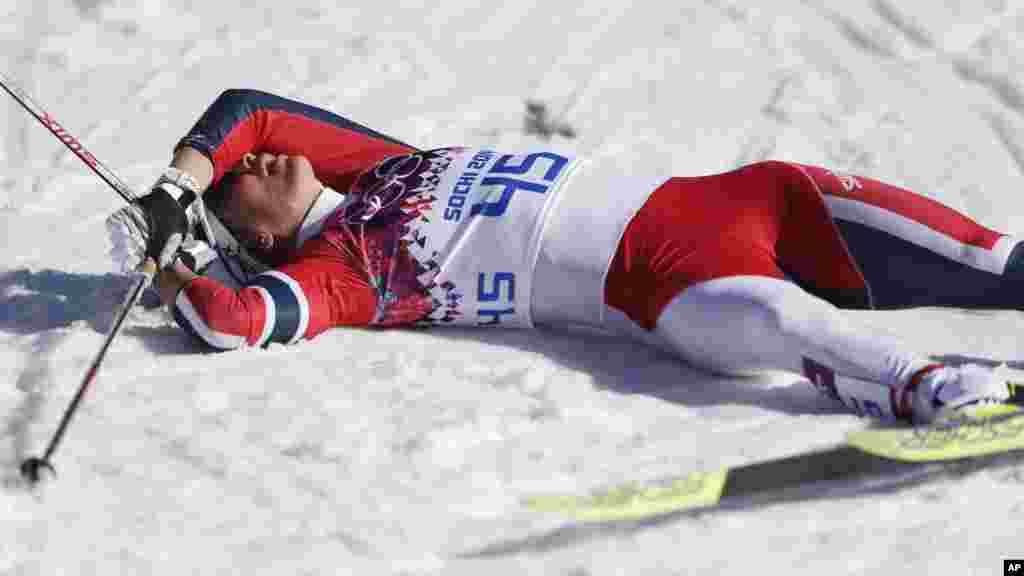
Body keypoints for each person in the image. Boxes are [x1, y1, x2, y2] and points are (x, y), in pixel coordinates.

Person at [114, 88, 1016, 425]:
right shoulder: (344, 272)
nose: (252, 163)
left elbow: (249, 109)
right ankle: (929, 387)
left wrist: (177, 186)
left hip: (741, 198)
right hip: (660, 284)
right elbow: (231, 319)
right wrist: (165, 264)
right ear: (261, 237)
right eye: (235, 186)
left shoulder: (380, 162)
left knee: (994, 260)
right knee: (785, 324)